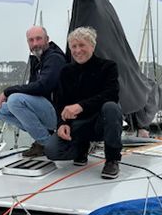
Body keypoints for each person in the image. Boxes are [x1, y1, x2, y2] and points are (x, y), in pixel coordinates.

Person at [44, 26, 123, 179]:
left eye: (82, 45)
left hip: (101, 122)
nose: (77, 50)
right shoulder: (66, 72)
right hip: (78, 126)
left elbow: (111, 94)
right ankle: (82, 147)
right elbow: (60, 102)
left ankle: (112, 159)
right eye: (74, 46)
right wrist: (61, 124)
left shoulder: (108, 67)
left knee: (112, 107)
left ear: (92, 46)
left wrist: (81, 106)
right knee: (52, 151)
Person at [0, 26, 66, 157]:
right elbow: (32, 89)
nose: (35, 43)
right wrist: (4, 99)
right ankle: (45, 136)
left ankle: (47, 144)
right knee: (0, 109)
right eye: (31, 40)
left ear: (47, 40)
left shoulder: (54, 58)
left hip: (60, 113)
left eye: (39, 39)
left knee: (15, 100)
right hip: (46, 110)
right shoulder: (37, 61)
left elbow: (42, 87)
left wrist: (6, 92)